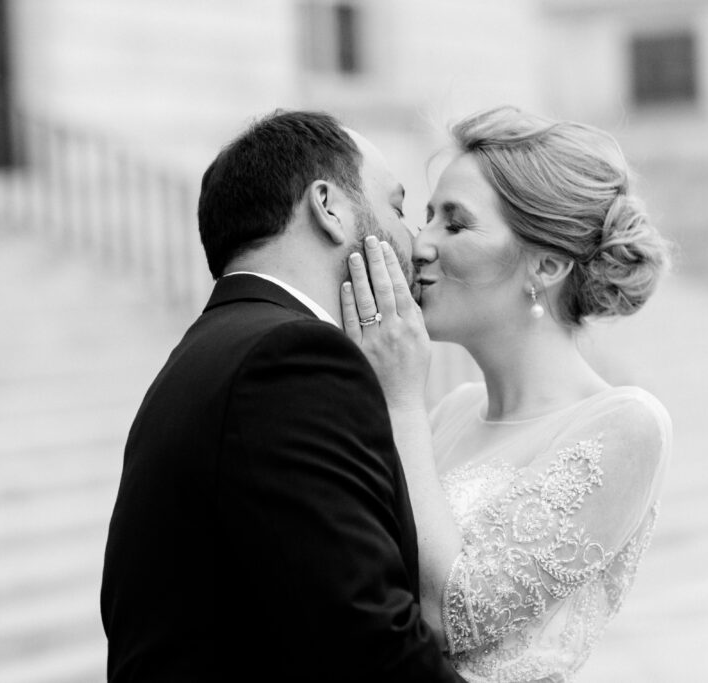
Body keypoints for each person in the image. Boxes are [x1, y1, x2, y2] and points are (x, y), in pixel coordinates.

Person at [100, 110, 463, 683]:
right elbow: (372, 648)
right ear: (329, 206)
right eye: (397, 207)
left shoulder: (211, 352)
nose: (414, 242)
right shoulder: (292, 360)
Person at [340, 105, 673, 682]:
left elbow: (456, 617)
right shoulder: (450, 412)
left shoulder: (627, 424)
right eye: (427, 216)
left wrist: (398, 398)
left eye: (455, 223)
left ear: (545, 264)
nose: (420, 245)